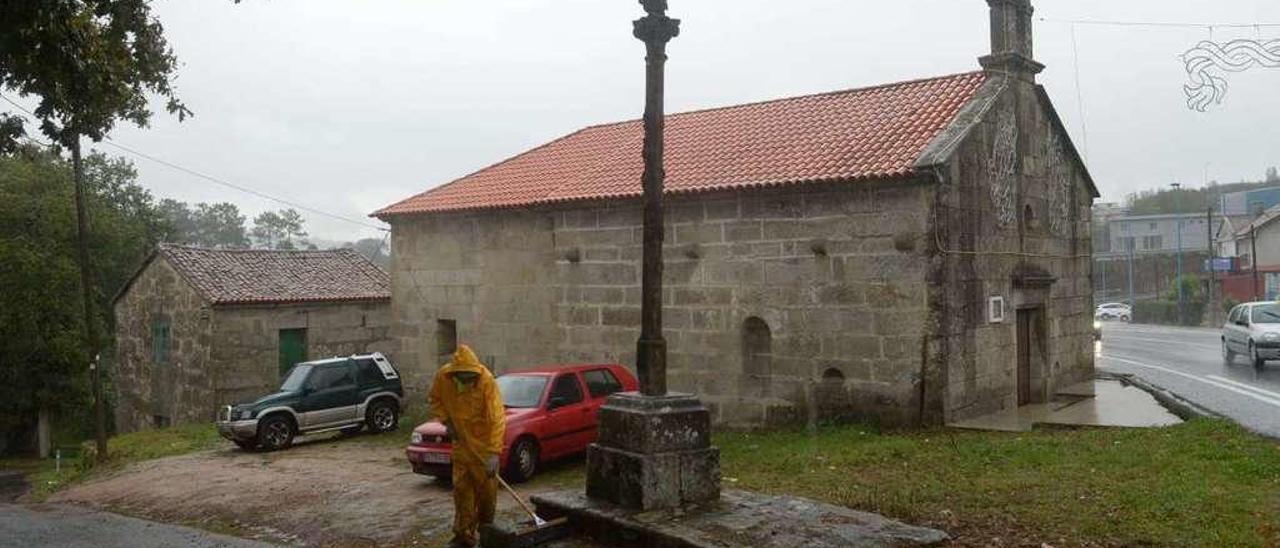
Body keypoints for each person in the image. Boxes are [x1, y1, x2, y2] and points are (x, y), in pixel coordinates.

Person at [429, 344, 506, 548]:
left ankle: (487, 533)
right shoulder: (443, 378)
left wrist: (493, 453)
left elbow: (497, 419)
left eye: (472, 376)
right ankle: (463, 537)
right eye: (465, 377)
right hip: (462, 450)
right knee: (462, 494)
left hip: (483, 453)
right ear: (456, 373)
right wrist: (447, 421)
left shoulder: (486, 381)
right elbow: (435, 399)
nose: (469, 380)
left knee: (487, 498)